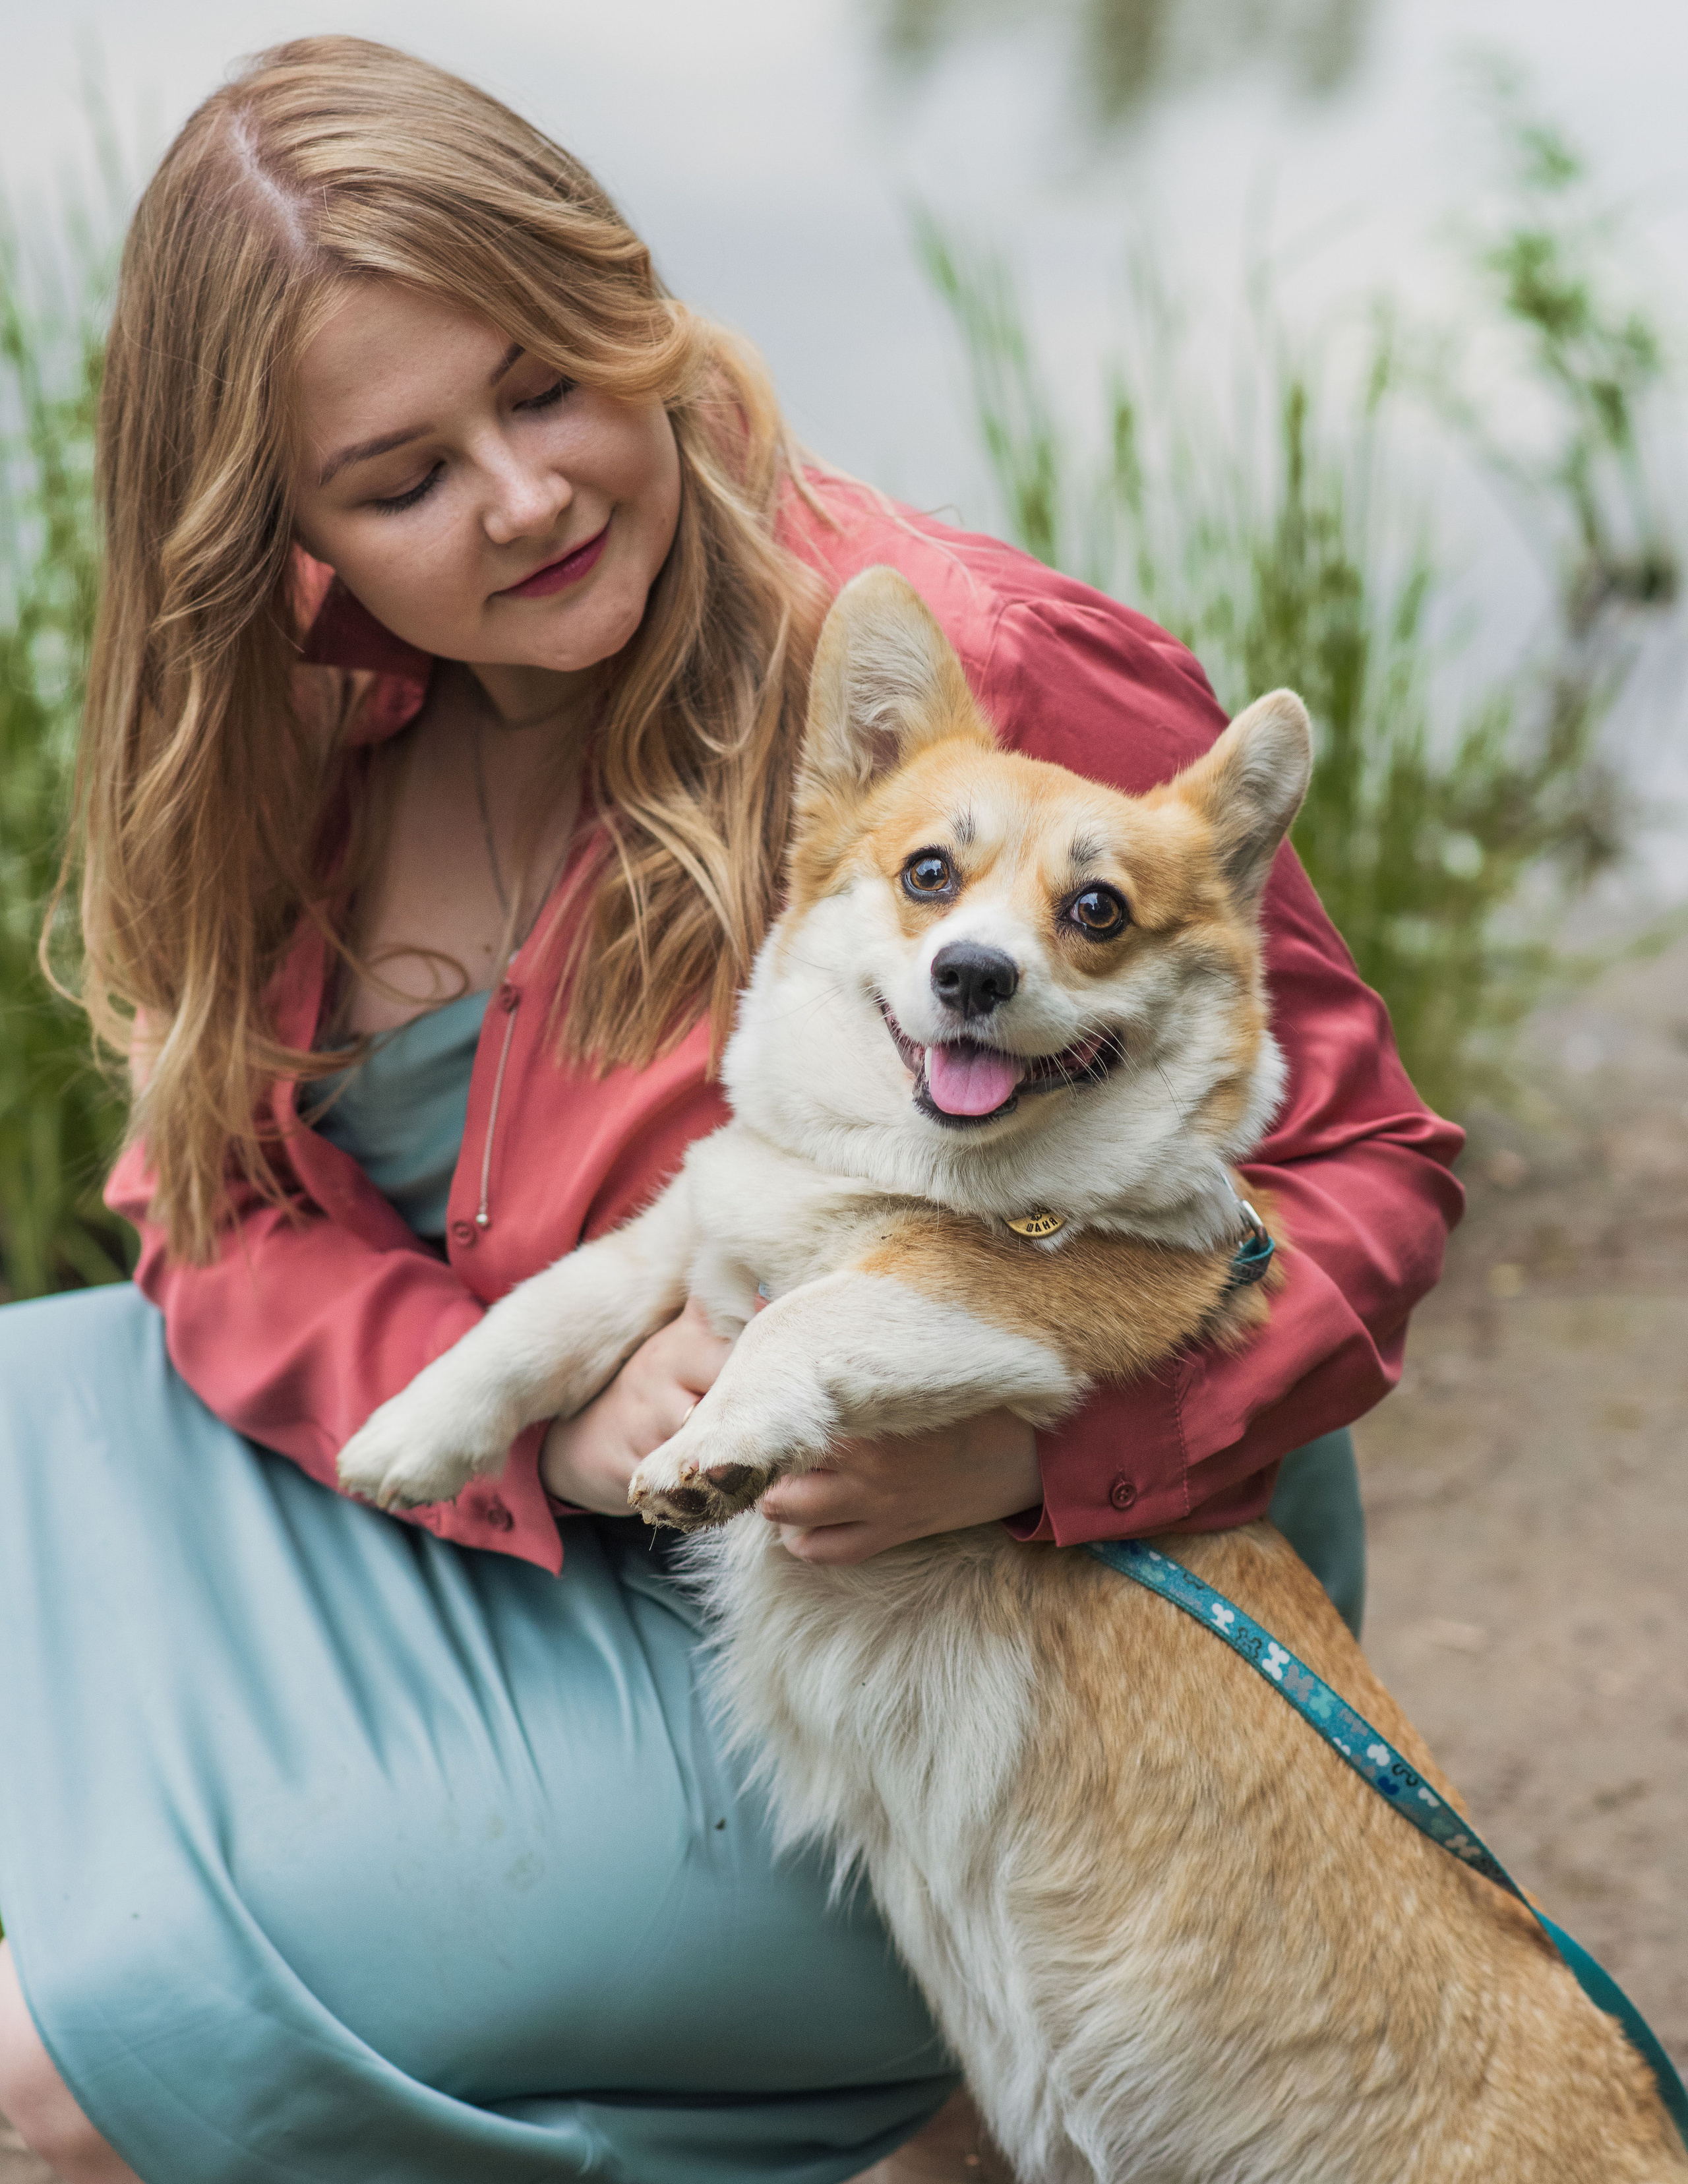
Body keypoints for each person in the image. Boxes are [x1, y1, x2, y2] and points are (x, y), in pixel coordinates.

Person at [0, 35, 1462, 2184]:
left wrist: (1022, 1462)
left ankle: (905, 2069)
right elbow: (198, 1208)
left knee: (59, 2068)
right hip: (547, 1501)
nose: (523, 497)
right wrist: (532, 1416)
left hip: (907, 1630)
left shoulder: (957, 685)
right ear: (278, 537)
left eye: (549, 382)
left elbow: (1359, 1173)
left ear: (629, 303)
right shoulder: (309, 719)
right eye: (401, 481)